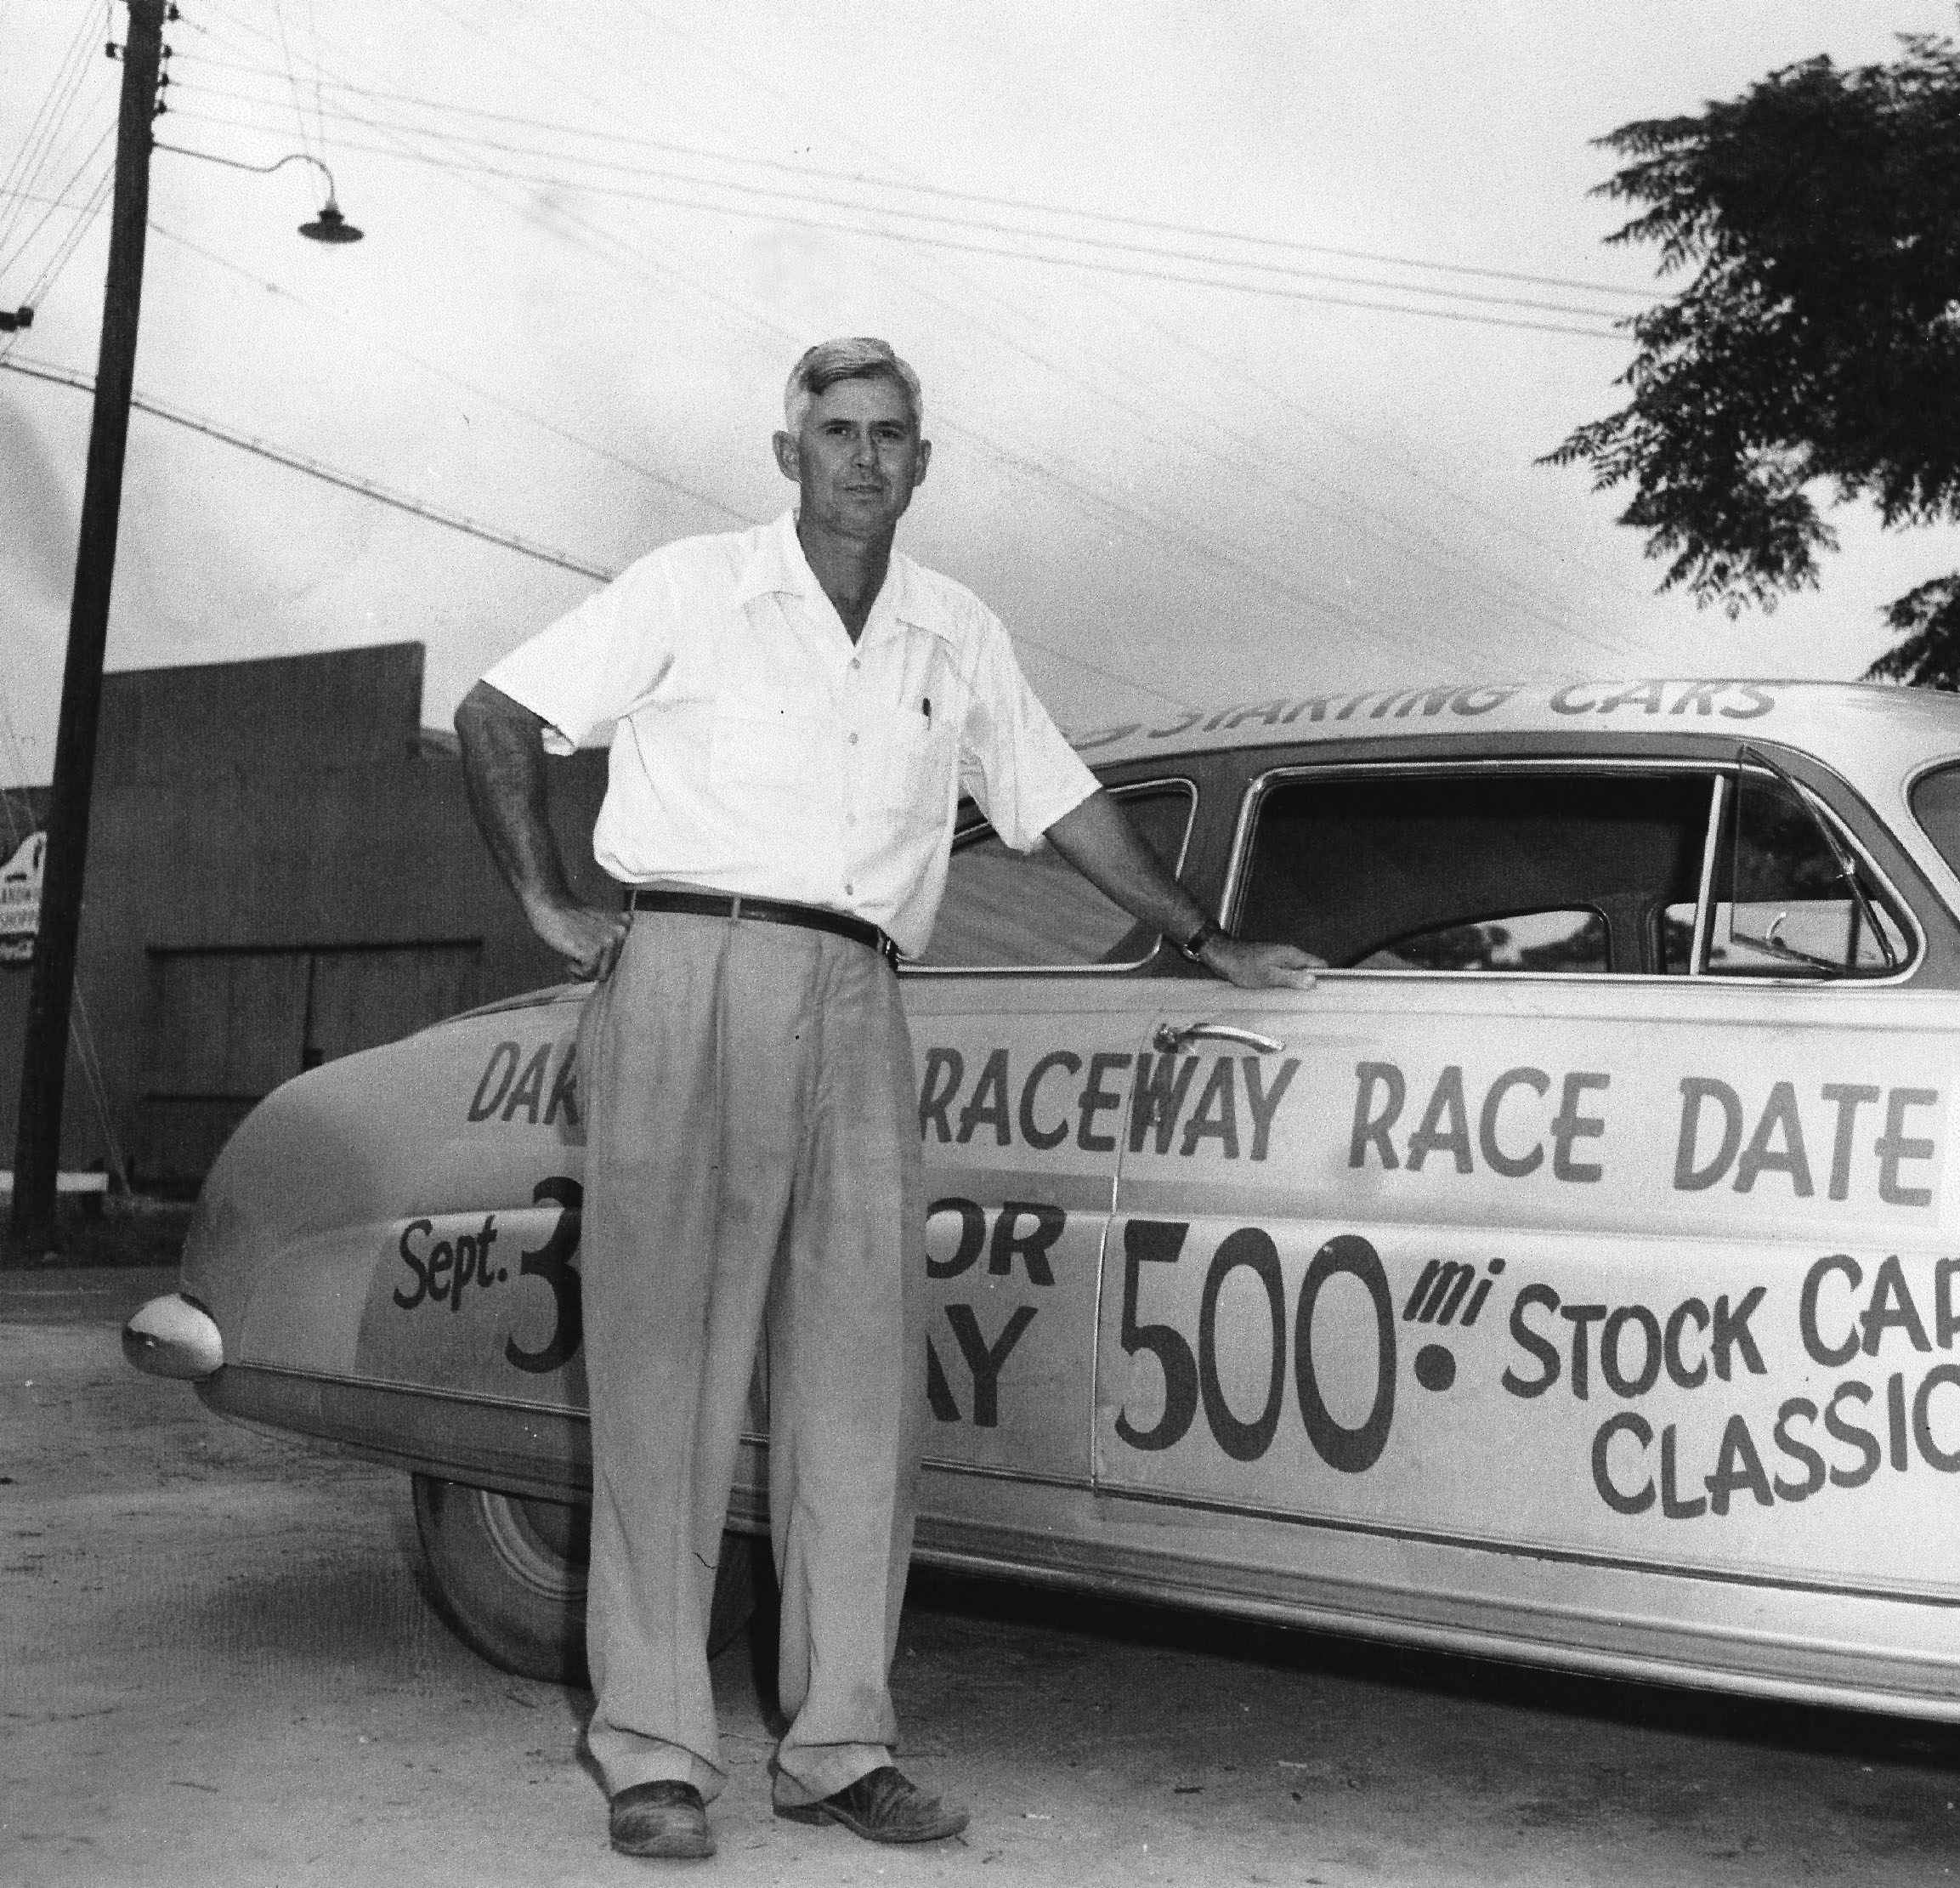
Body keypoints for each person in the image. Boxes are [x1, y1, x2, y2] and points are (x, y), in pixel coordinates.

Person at [454, 337, 1320, 1861]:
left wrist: (1210, 937)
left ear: (926, 463)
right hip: (692, 967)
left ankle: (838, 1743)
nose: (864, 456)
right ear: (788, 454)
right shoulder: (691, 587)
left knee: (858, 1393)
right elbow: (496, 714)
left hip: (862, 995)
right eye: (837, 431)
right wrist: (550, 899)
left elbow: (1060, 804)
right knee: (667, 1380)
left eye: (892, 435)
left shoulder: (954, 632)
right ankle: (655, 1749)